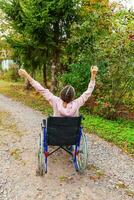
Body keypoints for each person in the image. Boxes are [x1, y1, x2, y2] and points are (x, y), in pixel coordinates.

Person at [18, 66, 98, 117]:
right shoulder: (77, 103)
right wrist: (93, 76)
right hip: (71, 136)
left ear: (61, 94)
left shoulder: (55, 101)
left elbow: (40, 89)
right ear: (73, 96)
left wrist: (26, 75)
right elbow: (89, 91)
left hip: (56, 134)